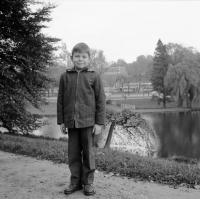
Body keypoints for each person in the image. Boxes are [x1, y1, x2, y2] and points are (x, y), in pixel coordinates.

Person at [57, 42, 106, 196]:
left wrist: (99, 122)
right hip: (71, 122)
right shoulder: (65, 76)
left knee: (88, 154)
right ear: (72, 58)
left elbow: (100, 100)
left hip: (88, 123)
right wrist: (61, 121)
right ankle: (75, 182)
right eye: (77, 56)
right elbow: (60, 100)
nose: (80, 59)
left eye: (84, 56)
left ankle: (88, 183)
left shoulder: (94, 76)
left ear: (89, 58)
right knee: (73, 154)